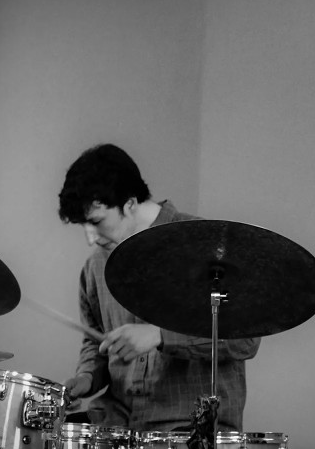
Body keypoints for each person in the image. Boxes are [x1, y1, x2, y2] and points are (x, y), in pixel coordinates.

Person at [57, 143, 260, 431]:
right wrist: (86, 378)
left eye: (97, 222)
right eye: (83, 226)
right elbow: (96, 343)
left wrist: (159, 336)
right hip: (116, 424)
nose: (90, 238)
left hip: (189, 430)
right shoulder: (95, 266)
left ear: (129, 204)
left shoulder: (207, 246)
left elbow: (245, 339)